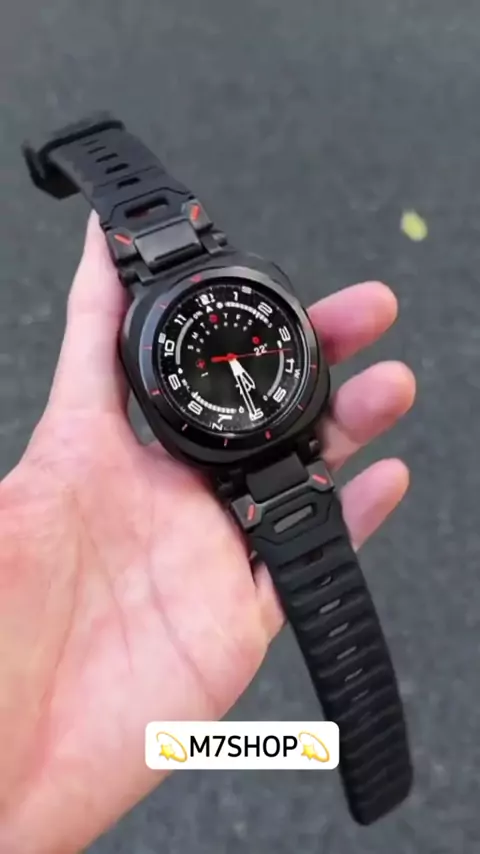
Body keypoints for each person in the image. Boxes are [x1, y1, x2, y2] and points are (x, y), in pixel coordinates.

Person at [0, 214, 416, 854]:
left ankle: (383, 769)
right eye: (215, 359)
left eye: (234, 353)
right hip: (266, 462)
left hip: (279, 446)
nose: (227, 359)